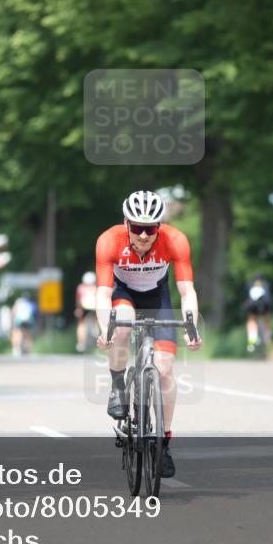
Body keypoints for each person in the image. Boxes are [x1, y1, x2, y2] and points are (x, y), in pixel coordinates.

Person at [96, 190, 203, 479]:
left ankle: (163, 443)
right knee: (122, 325)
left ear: (159, 227)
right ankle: (118, 386)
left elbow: (187, 291)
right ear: (126, 224)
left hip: (158, 297)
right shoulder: (109, 241)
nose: (144, 235)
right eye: (137, 228)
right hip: (123, 293)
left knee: (165, 369)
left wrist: (191, 326)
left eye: (151, 229)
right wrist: (105, 329)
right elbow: (103, 294)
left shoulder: (175, 240)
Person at [243, 274, 273, 353]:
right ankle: (267, 336)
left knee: (251, 320)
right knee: (267, 319)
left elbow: (247, 297)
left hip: (253, 306)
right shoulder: (266, 284)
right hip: (265, 305)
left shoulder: (250, 285)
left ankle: (252, 336)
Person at [75, 271, 99, 352]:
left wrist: (78, 309)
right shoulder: (96, 287)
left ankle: (80, 343)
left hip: (84, 307)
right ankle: (100, 338)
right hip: (94, 308)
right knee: (98, 322)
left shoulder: (80, 287)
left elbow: (78, 300)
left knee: (81, 324)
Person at [10, 292, 37, 356]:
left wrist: (12, 322)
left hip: (19, 321)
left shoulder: (18, 303)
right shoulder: (30, 303)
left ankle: (17, 349)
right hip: (28, 321)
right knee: (28, 335)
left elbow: (13, 312)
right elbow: (34, 313)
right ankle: (28, 349)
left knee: (18, 334)